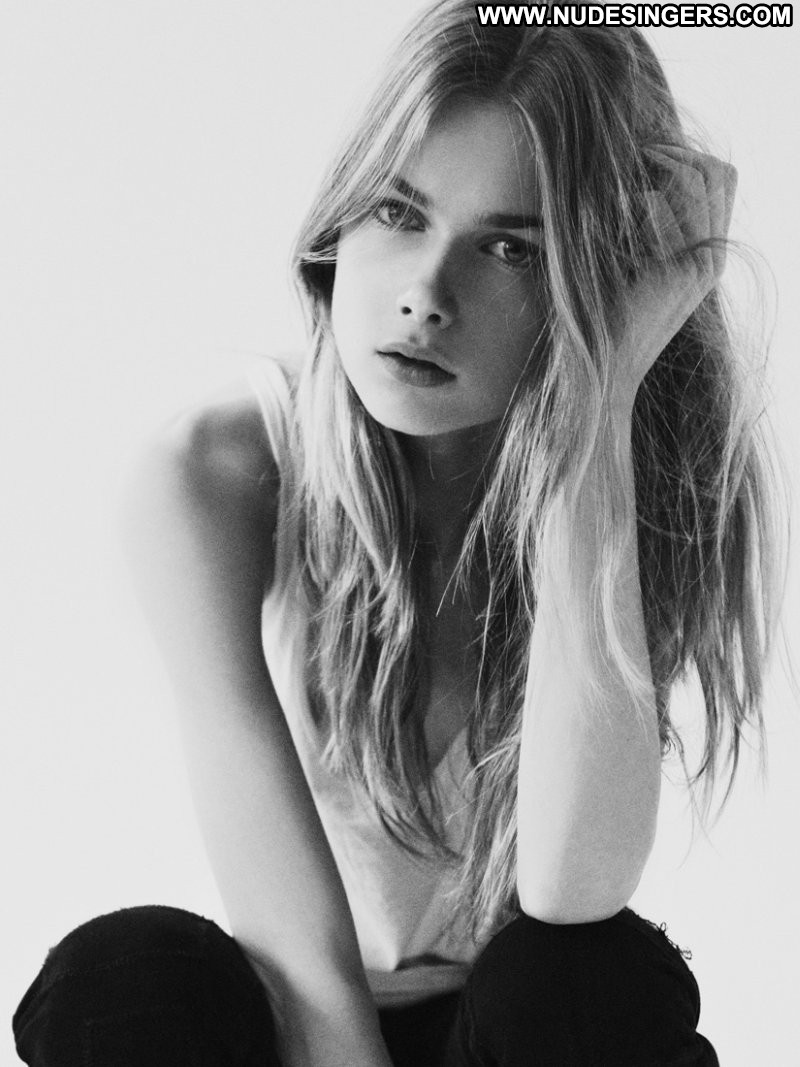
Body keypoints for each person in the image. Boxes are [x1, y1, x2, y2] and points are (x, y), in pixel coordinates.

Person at [13, 1, 786, 1064]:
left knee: (582, 976)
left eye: (511, 248)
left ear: (594, 284)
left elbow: (571, 886)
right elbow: (297, 950)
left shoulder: (642, 482)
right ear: (337, 226)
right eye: (396, 212)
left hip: (510, 1034)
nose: (424, 295)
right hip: (307, 1015)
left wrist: (598, 402)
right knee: (125, 981)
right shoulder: (209, 475)